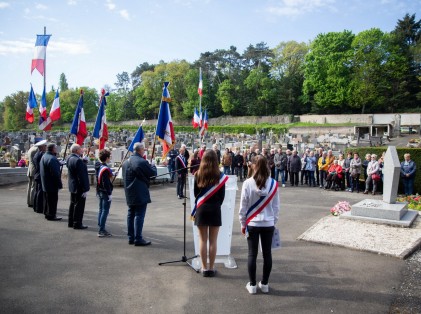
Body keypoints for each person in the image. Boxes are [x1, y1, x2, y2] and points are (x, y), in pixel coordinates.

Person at [239, 155, 280, 294]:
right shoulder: (274, 183)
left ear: (254, 166)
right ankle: (265, 284)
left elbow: (243, 207)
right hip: (268, 223)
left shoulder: (247, 183)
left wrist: (242, 223)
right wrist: (273, 221)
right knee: (267, 254)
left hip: (252, 223)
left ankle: (252, 285)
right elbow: (276, 207)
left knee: (252, 255)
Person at [193, 149, 227, 277]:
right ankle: (211, 268)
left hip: (201, 209)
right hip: (215, 209)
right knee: (213, 241)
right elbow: (222, 196)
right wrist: (216, 204)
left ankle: (204, 268)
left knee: (202, 240)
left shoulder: (197, 174)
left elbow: (196, 194)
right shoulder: (220, 175)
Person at [122, 142, 157, 246]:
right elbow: (152, 174)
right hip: (140, 192)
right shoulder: (142, 161)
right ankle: (138, 238)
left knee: (130, 214)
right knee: (139, 215)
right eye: (143, 149)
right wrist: (153, 165)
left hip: (129, 192)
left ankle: (131, 237)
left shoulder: (125, 162)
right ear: (140, 150)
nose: (144, 151)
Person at [67, 144, 90, 229]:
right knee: (79, 206)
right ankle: (77, 223)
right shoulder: (78, 161)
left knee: (73, 204)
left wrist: (83, 162)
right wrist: (85, 189)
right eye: (80, 149)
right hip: (79, 187)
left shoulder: (69, 158)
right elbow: (82, 176)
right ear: (77, 150)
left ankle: (71, 221)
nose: (82, 150)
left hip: (73, 186)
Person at [40, 143, 63, 221]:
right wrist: (59, 185)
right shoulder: (52, 159)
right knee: (52, 201)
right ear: (53, 149)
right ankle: (51, 215)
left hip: (45, 183)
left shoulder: (44, 156)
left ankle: (47, 213)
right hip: (52, 184)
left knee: (47, 200)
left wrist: (59, 163)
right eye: (55, 148)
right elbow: (56, 174)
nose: (56, 150)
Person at [95, 149, 114, 237]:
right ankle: (101, 230)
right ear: (106, 158)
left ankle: (100, 225)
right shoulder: (105, 169)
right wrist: (109, 193)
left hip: (100, 191)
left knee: (101, 210)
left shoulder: (99, 166)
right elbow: (105, 183)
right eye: (109, 157)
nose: (110, 158)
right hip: (105, 192)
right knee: (105, 211)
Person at [32, 140, 47, 214]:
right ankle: (39, 208)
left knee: (37, 191)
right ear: (42, 147)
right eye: (45, 146)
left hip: (37, 174)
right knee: (40, 192)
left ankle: (36, 206)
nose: (46, 147)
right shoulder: (41, 155)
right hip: (40, 174)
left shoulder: (37, 154)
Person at [26, 142, 38, 208]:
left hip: (30, 169)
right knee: (33, 186)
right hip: (34, 170)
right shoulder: (36, 149)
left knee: (30, 186)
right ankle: (32, 202)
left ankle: (29, 201)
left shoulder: (31, 148)